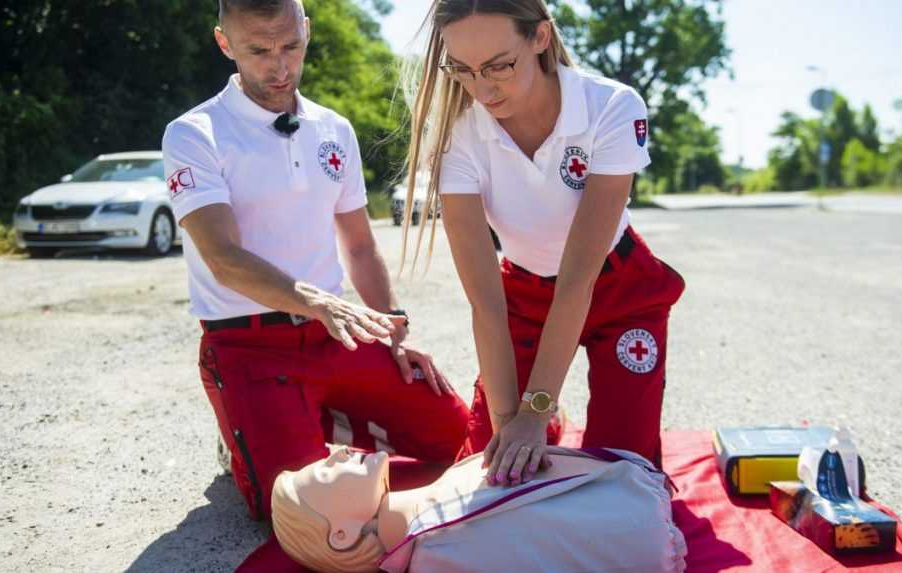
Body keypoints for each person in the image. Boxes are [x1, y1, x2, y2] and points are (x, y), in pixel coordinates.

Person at [161, 0, 469, 521]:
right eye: (259, 50)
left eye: (292, 46)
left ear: (307, 30)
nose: (280, 67)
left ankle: (317, 417)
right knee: (302, 510)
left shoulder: (335, 129)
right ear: (225, 43)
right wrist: (321, 302)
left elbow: (359, 246)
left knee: (459, 436)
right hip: (250, 345)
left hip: (335, 336)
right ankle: (247, 430)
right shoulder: (193, 133)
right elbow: (223, 258)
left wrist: (396, 330)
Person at [401, 0, 685, 488]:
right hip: (523, 295)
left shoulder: (612, 106)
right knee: (491, 466)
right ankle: (546, 420)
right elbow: (486, 302)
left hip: (618, 289)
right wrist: (512, 420)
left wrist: (534, 408)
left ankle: (549, 413)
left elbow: (578, 279)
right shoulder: (456, 135)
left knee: (621, 476)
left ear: (540, 38)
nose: (482, 89)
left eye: (499, 66)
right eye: (463, 70)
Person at [271, 446, 687, 572]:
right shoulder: (438, 555)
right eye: (325, 473)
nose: (337, 452)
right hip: (636, 522)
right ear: (341, 534)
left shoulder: (437, 501)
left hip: (633, 497)